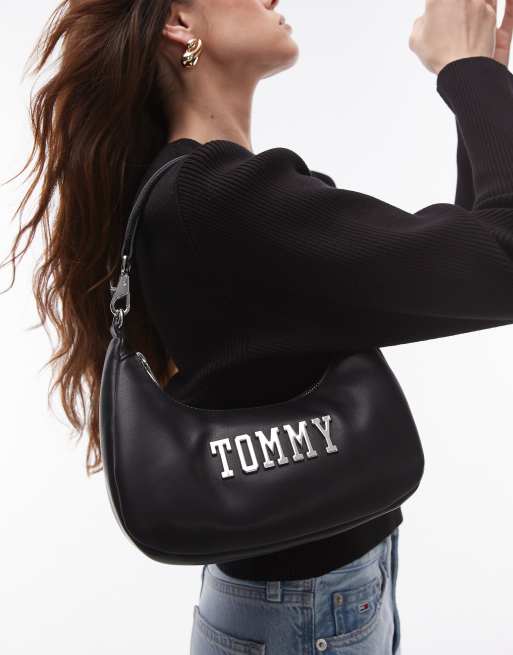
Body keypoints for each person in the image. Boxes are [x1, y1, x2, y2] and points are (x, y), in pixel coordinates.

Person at [3, 0, 513, 653]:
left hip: (306, 602)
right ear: (179, 25)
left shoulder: (210, 196)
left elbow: (466, 271)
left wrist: (482, 89)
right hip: (305, 613)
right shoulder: (218, 197)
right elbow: (498, 265)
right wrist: (466, 71)